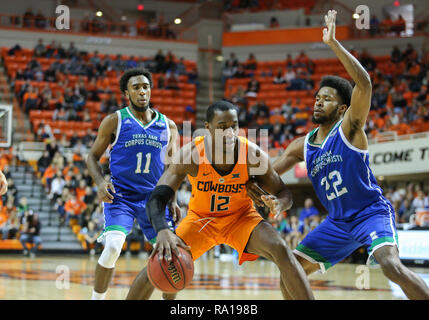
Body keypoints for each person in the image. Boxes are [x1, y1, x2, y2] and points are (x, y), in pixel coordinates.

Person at [247, 10, 429, 300]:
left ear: (342, 109)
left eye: (327, 99)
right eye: (317, 98)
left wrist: (333, 44)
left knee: (391, 266)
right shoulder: (300, 145)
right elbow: (268, 174)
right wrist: (255, 188)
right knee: (291, 270)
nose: (319, 102)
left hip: (371, 213)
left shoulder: (350, 129)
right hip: (337, 222)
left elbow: (365, 85)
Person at [126, 100, 314, 300]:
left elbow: (284, 192)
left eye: (233, 126)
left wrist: (278, 203)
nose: (229, 133)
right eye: (222, 127)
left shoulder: (252, 155)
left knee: (281, 249)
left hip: (241, 218)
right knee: (160, 263)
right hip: (201, 220)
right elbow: (157, 197)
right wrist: (163, 230)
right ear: (208, 129)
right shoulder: (191, 155)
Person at [86, 68, 181, 300]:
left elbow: (174, 168)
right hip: (121, 197)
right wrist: (100, 181)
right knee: (112, 248)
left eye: (145, 86)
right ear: (126, 93)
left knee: (172, 257)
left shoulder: (168, 126)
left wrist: (173, 198)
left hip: (154, 199)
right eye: (136, 87)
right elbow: (91, 157)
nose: (142, 91)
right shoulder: (115, 121)